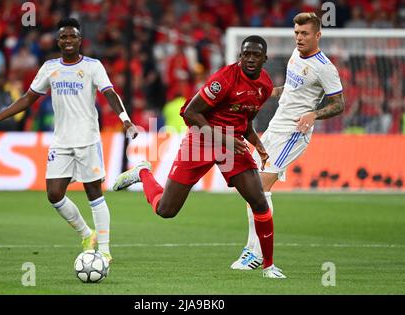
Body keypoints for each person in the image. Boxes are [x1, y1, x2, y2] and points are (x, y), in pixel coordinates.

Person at [113, 35, 286, 279]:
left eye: (255, 55)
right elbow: (190, 113)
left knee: (260, 201)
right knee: (166, 210)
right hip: (203, 140)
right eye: (245, 54)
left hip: (231, 145)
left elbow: (245, 121)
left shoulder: (265, 86)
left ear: (264, 59)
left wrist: (257, 144)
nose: (249, 59)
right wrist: (223, 138)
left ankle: (269, 266)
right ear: (240, 56)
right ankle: (143, 172)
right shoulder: (224, 79)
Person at [0, 18, 138, 263]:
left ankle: (104, 250)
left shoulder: (93, 66)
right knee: (54, 194)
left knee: (93, 193)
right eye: (63, 37)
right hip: (61, 142)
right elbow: (29, 98)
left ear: (80, 40)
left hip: (87, 140)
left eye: (72, 36)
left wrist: (125, 119)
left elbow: (110, 93)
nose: (68, 40)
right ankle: (87, 234)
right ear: (58, 41)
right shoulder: (50, 67)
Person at [231, 12, 345, 270]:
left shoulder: (324, 68)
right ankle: (252, 249)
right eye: (296, 33)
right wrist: (266, 93)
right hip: (275, 127)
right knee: (251, 190)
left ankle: (257, 254)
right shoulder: (295, 55)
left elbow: (339, 104)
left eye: (304, 33)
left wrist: (314, 114)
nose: (299, 38)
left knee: (259, 188)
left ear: (318, 34)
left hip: (294, 134)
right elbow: (291, 91)